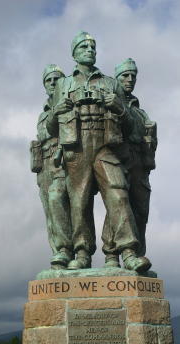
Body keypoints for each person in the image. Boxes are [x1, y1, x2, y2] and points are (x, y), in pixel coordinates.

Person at [52, 31, 150, 272]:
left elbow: (130, 127)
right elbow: (50, 128)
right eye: (84, 46)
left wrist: (119, 108)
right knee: (79, 201)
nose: (90, 50)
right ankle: (82, 252)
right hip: (76, 146)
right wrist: (57, 112)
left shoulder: (111, 83)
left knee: (118, 193)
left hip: (106, 145)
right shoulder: (63, 84)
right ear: (73, 53)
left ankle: (127, 251)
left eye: (93, 46)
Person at [102, 58, 157, 268]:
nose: (130, 79)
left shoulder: (141, 111)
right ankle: (112, 255)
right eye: (125, 75)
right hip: (119, 158)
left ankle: (138, 255)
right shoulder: (111, 102)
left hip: (140, 164)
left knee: (140, 211)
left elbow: (148, 139)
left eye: (133, 75)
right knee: (118, 204)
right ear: (116, 78)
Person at [30, 64, 73, 269]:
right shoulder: (43, 113)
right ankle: (59, 255)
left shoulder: (68, 104)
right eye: (49, 80)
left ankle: (68, 250)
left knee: (60, 201)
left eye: (57, 79)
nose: (53, 83)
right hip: (45, 164)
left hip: (63, 161)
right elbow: (42, 135)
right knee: (50, 214)